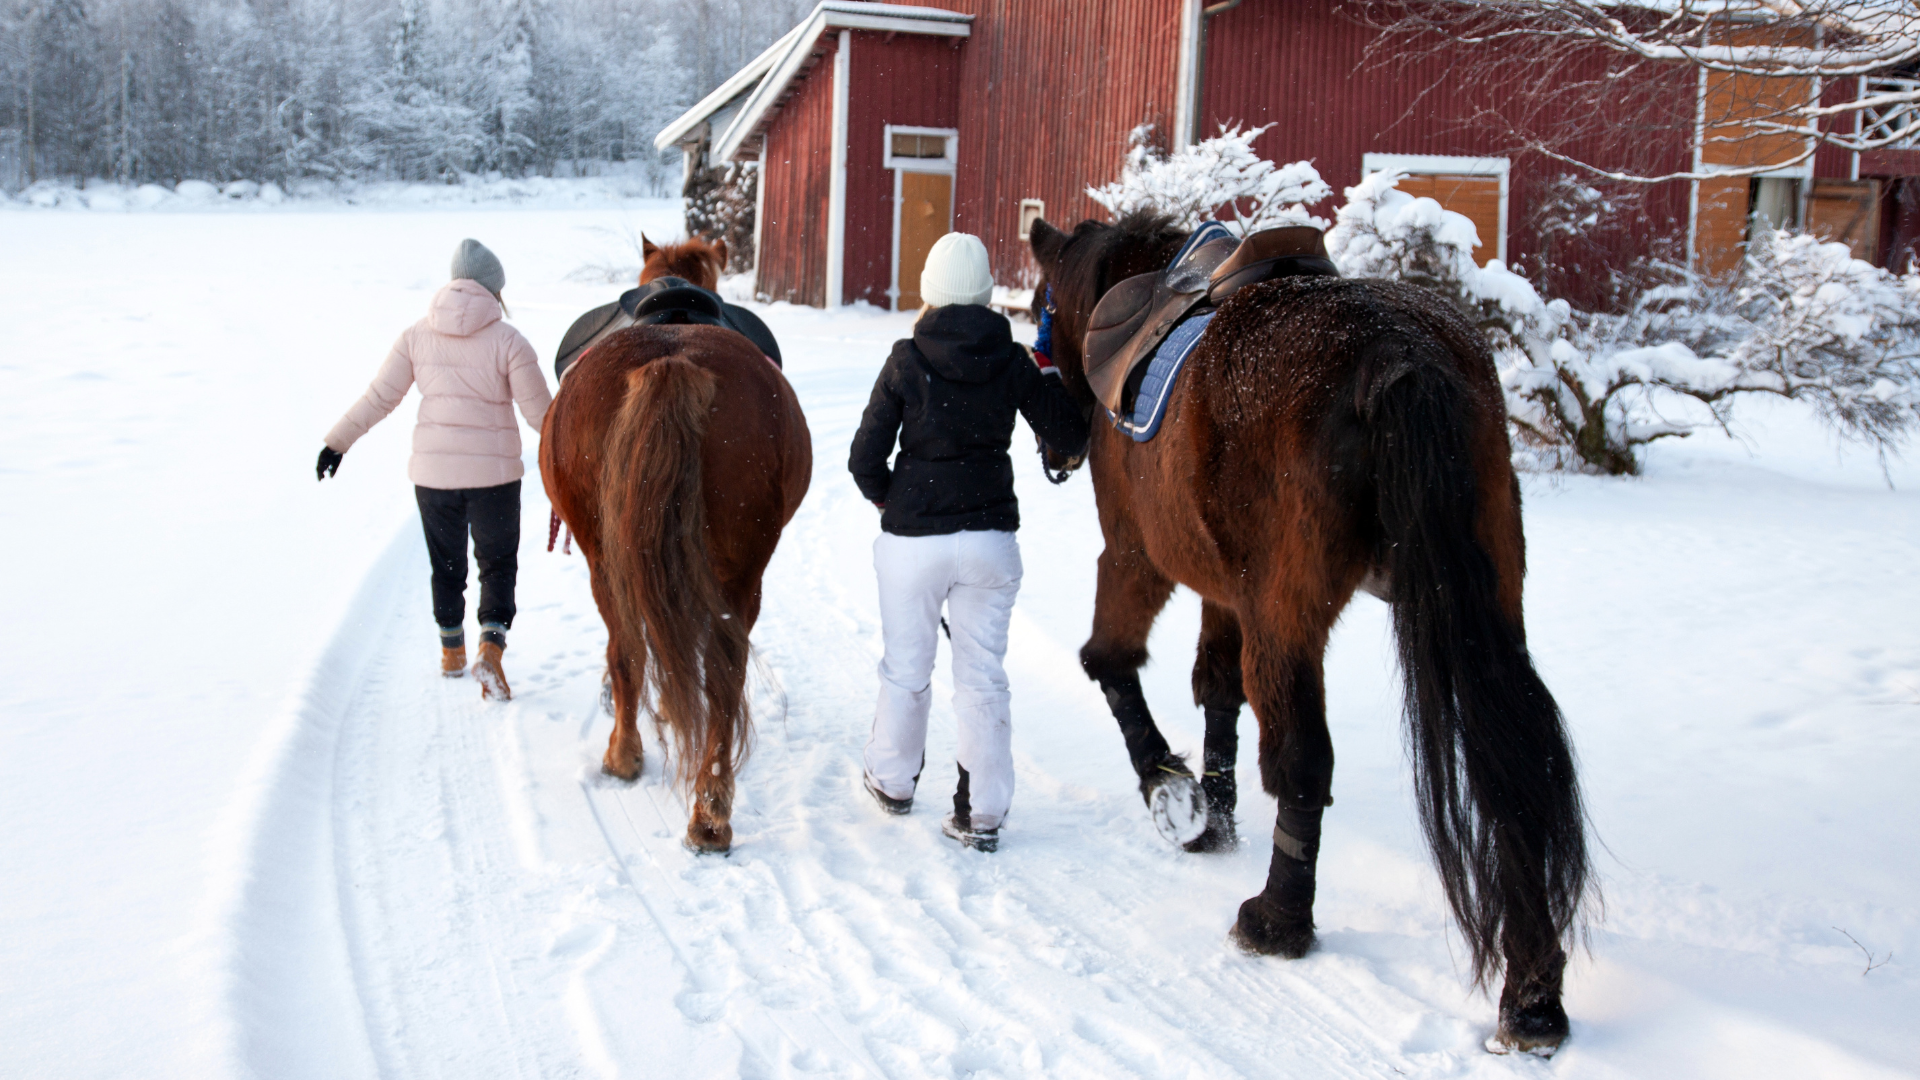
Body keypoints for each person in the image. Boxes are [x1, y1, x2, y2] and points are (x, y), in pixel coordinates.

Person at [848, 232, 1091, 852]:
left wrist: (889, 498)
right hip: (989, 541)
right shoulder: (1011, 361)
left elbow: (864, 458)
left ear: (930, 291)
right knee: (983, 675)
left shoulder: (906, 358)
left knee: (906, 667)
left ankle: (892, 781)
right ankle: (980, 812)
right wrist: (1048, 372)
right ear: (984, 293)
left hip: (914, 542)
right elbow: (1069, 434)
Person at [315, 239, 552, 700]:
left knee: (446, 565)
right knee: (496, 564)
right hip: (495, 479)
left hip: (433, 478)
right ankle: (491, 649)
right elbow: (543, 416)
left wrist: (336, 443)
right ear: (494, 289)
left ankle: (451, 653)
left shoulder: (415, 336)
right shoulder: (509, 341)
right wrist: (587, 448)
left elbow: (379, 397)